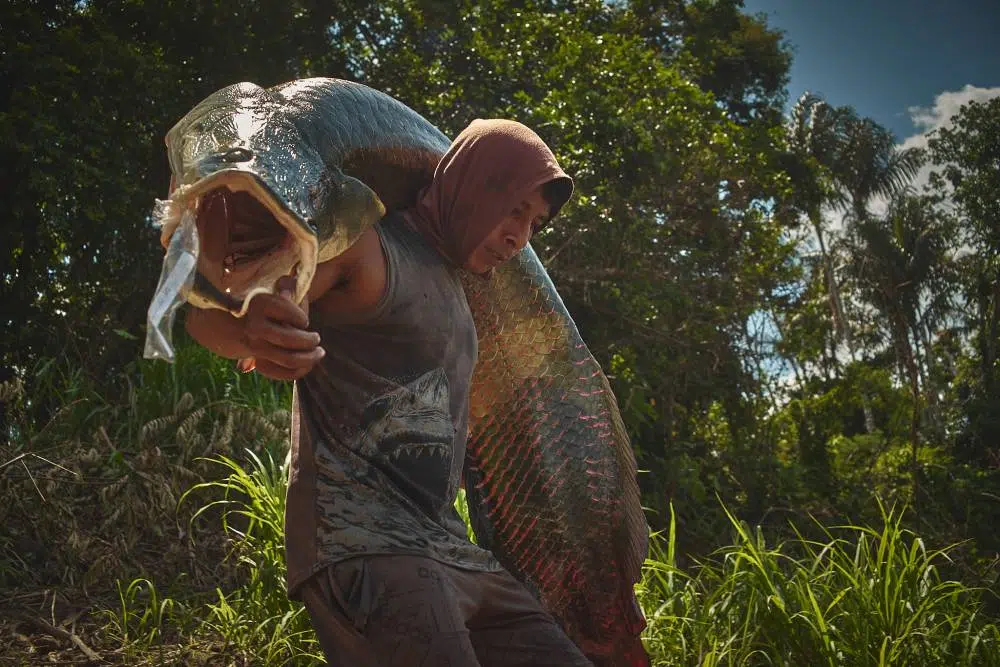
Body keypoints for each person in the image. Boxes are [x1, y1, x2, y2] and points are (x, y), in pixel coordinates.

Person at [184, 119, 590, 666]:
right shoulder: (367, 244)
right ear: (474, 183)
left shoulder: (462, 292)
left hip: (448, 545)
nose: (521, 237)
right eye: (514, 210)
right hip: (361, 538)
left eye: (535, 224)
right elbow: (216, 319)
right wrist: (254, 329)